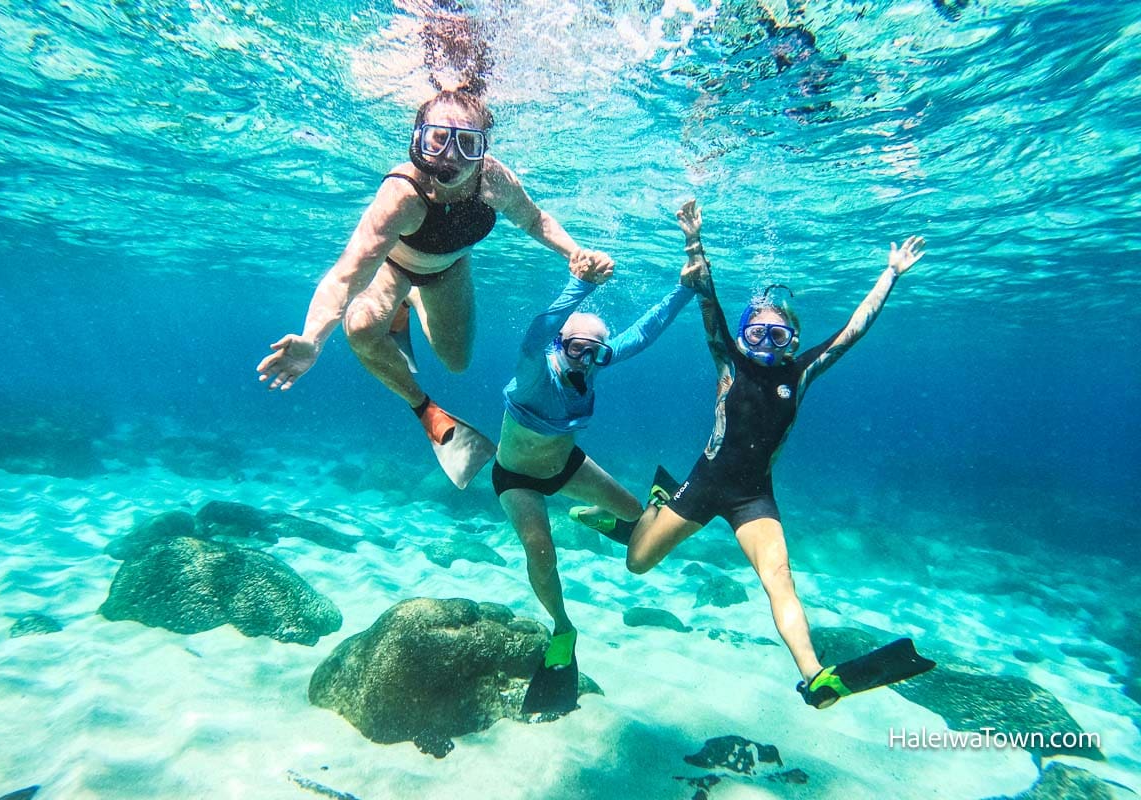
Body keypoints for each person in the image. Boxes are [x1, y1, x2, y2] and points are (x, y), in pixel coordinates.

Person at [573, 199, 929, 707]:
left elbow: (853, 331)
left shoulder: (800, 372)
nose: (764, 343)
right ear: (742, 335)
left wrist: (889, 275)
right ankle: (654, 505)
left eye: (776, 335)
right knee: (637, 564)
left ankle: (816, 676)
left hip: (753, 497)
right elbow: (707, 300)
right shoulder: (728, 361)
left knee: (779, 579)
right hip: (704, 483)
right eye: (756, 332)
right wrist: (693, 237)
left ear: (793, 340)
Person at [256, 87, 614, 488]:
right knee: (359, 328)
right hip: (392, 267)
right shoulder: (402, 196)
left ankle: (410, 303)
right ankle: (423, 407)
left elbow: (535, 220)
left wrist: (574, 252)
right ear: (417, 139)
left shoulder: (493, 180)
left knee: (456, 362)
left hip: (449, 269)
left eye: (467, 143)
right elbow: (346, 275)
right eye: (438, 139)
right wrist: (312, 339)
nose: (451, 156)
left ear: (483, 149)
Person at [497, 249, 704, 712]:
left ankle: (602, 520)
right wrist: (581, 285)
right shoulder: (537, 371)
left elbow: (643, 333)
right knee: (541, 551)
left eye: (596, 352)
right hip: (516, 478)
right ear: (560, 344)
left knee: (640, 516)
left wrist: (685, 289)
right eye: (577, 348)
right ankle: (563, 627)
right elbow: (534, 337)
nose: (587, 360)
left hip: (567, 467)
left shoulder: (594, 364)